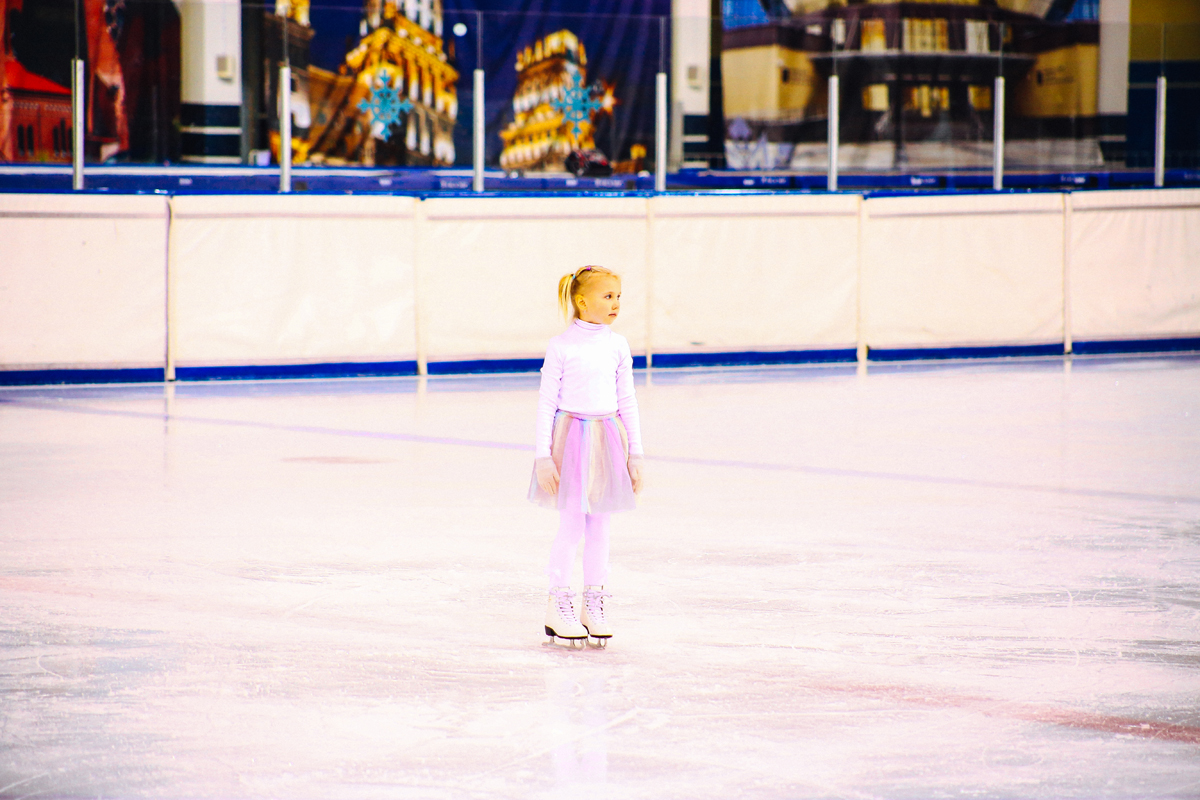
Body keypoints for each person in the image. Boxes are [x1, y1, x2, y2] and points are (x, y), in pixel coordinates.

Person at [528, 265, 644, 649]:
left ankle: (593, 601)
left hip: (608, 438)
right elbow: (546, 402)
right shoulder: (562, 347)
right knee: (572, 524)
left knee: (601, 525)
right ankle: (558, 601)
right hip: (571, 439)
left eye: (618, 296)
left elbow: (627, 400)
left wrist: (636, 454)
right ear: (581, 301)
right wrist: (543, 457)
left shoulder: (618, 345)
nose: (615, 303)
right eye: (607, 296)